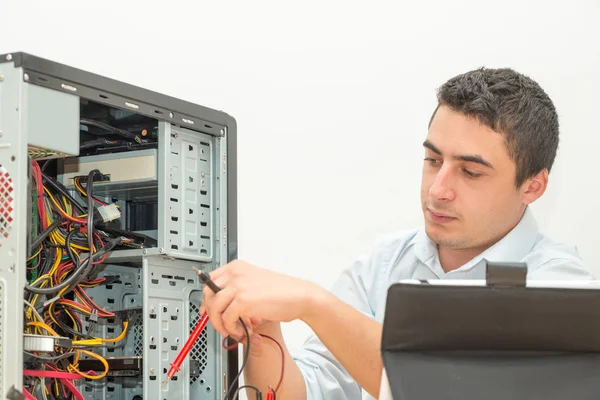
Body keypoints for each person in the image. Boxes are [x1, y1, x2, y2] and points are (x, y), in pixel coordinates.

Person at [201, 67, 595, 400]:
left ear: (532, 186)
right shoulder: (383, 263)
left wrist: (313, 304)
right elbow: (307, 391)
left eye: (471, 172)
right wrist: (265, 329)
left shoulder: (562, 289)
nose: (438, 189)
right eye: (432, 159)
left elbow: (453, 389)